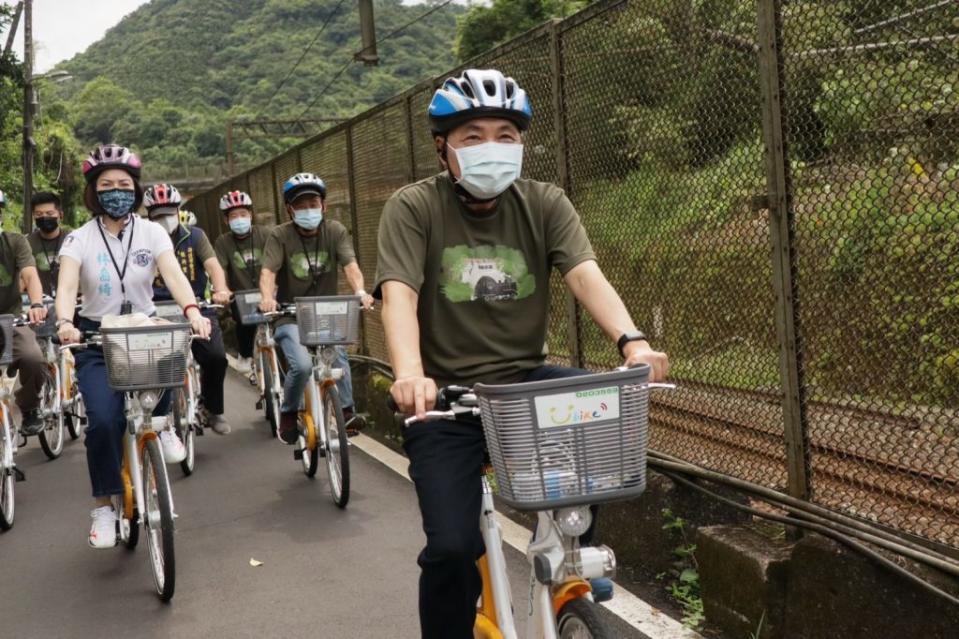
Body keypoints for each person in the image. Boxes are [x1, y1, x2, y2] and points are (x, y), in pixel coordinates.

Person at [374, 69, 670, 638]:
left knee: (600, 404)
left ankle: (571, 547)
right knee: (452, 547)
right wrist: (410, 374)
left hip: (525, 389)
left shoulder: (544, 202)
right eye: (473, 135)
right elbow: (399, 297)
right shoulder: (414, 208)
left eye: (506, 135)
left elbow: (585, 275)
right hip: (446, 397)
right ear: (443, 148)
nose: (493, 147)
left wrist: (632, 341)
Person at [55, 144, 212, 548]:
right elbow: (67, 285)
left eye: (124, 184)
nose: (116, 191)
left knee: (174, 350)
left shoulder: (152, 232)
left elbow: (174, 275)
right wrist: (65, 323)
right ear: (93, 192)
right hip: (96, 337)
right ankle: (104, 507)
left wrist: (192, 309)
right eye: (106, 185)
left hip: (142, 329)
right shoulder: (78, 239)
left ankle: (161, 429)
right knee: (104, 422)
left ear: (136, 190)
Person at [257, 172, 373, 444]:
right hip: (289, 315)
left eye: (313, 203)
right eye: (300, 205)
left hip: (326, 313)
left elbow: (351, 266)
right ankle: (288, 413)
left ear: (324, 205)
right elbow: (267, 272)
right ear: (290, 209)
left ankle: (346, 413)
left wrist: (360, 291)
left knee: (339, 355)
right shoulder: (280, 235)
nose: (308, 210)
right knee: (302, 366)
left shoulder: (335, 231)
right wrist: (266, 298)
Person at [143, 183, 233, 435]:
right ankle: (156, 414)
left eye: (169, 212)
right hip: (157, 310)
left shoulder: (195, 236)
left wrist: (220, 289)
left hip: (198, 308)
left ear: (178, 210)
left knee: (215, 358)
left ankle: (212, 408)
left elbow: (213, 266)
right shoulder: (142, 241)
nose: (165, 219)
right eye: (158, 214)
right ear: (148, 216)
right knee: (152, 366)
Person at [0, 193, 49, 436]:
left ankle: (29, 408)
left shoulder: (15, 242)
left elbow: (30, 275)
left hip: (11, 320)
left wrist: (37, 303)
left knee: (33, 358)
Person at [213, 190, 267, 375]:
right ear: (226, 221)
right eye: (234, 216)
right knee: (244, 323)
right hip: (242, 296)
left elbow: (277, 260)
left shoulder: (265, 234)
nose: (240, 219)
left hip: (268, 293)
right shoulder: (223, 242)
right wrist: (223, 290)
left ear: (251, 215)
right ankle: (245, 354)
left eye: (243, 214)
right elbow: (219, 267)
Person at [27, 191, 68, 296]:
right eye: (39, 214)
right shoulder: (26, 243)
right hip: (38, 305)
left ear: (60, 215)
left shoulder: (72, 240)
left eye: (50, 213)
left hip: (71, 301)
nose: (44, 217)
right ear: (33, 217)